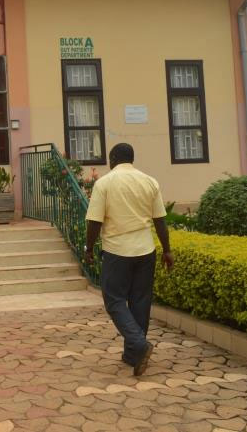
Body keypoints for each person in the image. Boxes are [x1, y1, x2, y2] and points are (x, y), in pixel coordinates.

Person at [83, 142, 173, 377]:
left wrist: (89, 248)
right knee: (140, 302)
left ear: (113, 158)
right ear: (131, 158)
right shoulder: (149, 181)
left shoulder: (104, 183)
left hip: (117, 251)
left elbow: (94, 221)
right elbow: (160, 221)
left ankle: (138, 344)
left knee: (114, 301)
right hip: (146, 250)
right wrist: (167, 250)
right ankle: (133, 354)